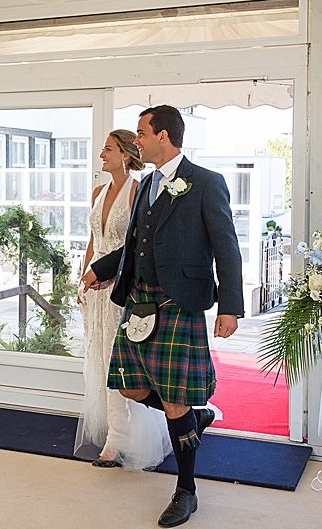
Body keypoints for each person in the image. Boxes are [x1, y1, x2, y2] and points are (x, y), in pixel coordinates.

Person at [82, 105, 243, 528]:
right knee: (130, 387)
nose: (137, 140)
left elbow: (227, 248)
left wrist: (230, 306)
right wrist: (102, 270)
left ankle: (186, 491)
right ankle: (195, 418)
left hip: (179, 303)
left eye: (142, 132)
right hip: (139, 301)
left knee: (173, 400)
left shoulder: (206, 183)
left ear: (164, 136)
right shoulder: (148, 183)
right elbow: (134, 245)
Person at [74, 129, 172, 471]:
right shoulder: (98, 193)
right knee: (100, 358)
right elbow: (94, 240)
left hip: (119, 286)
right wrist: (84, 275)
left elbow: (133, 247)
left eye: (108, 148)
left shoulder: (137, 192)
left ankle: (119, 439)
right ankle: (115, 431)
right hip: (96, 286)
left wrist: (109, 275)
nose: (102, 153)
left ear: (126, 155)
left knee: (122, 363)